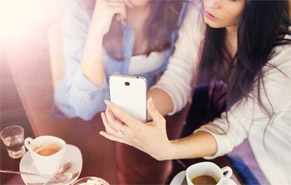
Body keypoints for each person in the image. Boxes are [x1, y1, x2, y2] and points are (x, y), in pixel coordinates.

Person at [100, 0, 291, 184]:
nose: (211, 3)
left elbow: (231, 129)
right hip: (215, 151)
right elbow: (177, 80)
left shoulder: (284, 61)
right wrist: (136, 110)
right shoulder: (202, 15)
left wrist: (167, 149)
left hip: (262, 170)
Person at [54, 0, 186, 120]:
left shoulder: (178, 7)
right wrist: (96, 32)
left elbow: (176, 80)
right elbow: (83, 109)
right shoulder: (79, 7)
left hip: (139, 118)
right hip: (75, 122)